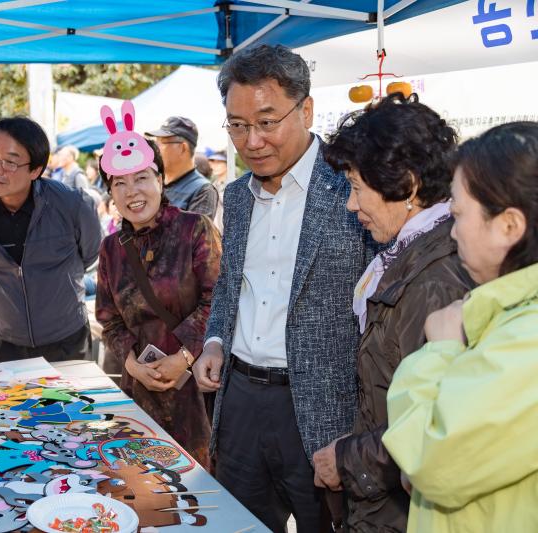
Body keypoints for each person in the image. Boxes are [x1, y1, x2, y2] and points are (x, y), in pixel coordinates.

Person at [191, 44, 377, 532]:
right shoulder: (236, 195)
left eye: (267, 122)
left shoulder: (351, 188)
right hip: (241, 405)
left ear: (306, 109)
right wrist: (214, 341)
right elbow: (232, 288)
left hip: (325, 410)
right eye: (237, 125)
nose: (251, 141)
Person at [309, 94, 475, 532]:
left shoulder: (439, 278)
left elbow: (441, 426)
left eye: (358, 188)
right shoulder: (408, 252)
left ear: (408, 184)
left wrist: (347, 460)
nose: (350, 205)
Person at [381, 122, 538, 532]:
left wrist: (440, 350)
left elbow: (431, 463)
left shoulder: (528, 340)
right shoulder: (507, 314)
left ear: (508, 226)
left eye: (458, 215)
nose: (452, 232)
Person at [95, 101, 221, 468]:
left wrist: (183, 358)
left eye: (142, 178)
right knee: (147, 490)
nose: (132, 191)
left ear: (161, 180)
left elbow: (219, 299)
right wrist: (132, 364)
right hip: (141, 392)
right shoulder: (111, 249)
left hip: (198, 391)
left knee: (201, 494)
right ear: (111, 192)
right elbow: (110, 320)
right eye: (120, 183)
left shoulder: (195, 229)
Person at [0, 117, 101, 363]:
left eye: (10, 162)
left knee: (69, 402)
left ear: (35, 170)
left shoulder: (72, 204)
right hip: (1, 339)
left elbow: (90, 252)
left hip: (64, 336)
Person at [146, 116, 218, 220]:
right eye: (155, 143)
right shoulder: (154, 181)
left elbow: (192, 234)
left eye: (160, 143)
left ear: (183, 148)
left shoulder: (203, 191)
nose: (155, 149)